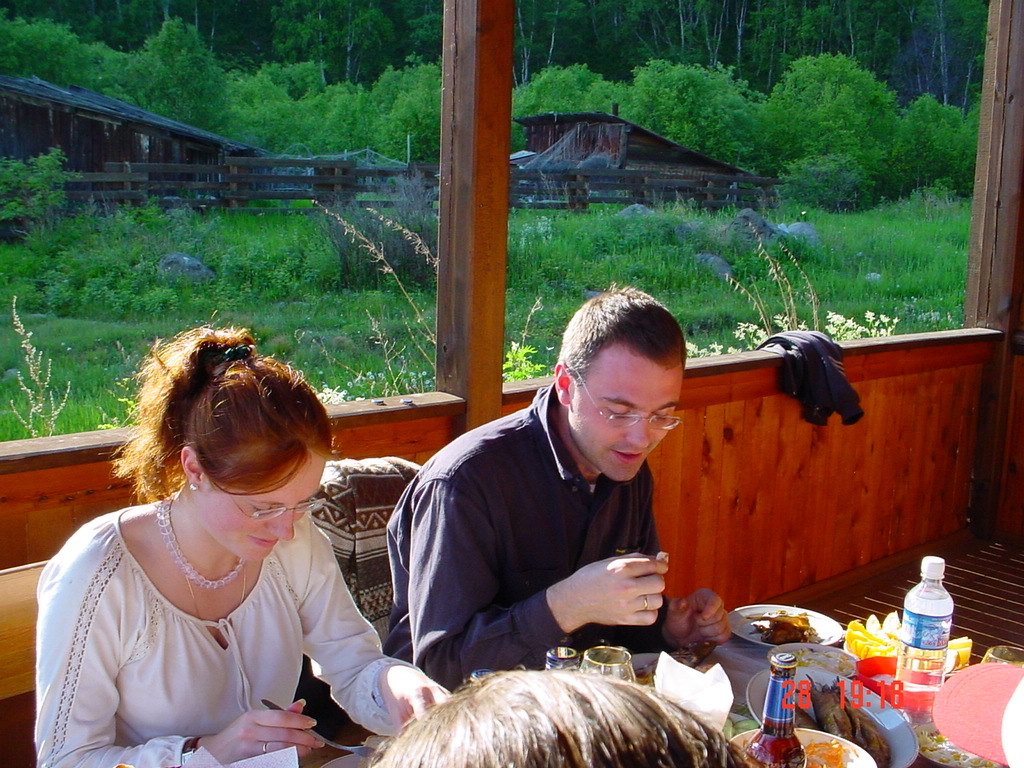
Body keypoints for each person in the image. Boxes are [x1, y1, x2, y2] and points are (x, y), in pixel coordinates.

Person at [35, 327, 447, 768]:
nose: (286, 530)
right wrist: (208, 753)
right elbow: (65, 760)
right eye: (262, 508)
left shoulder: (295, 541)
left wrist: (398, 684)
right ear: (194, 468)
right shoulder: (99, 572)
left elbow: (353, 663)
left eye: (302, 503)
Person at [384, 287, 731, 689]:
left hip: (578, 702)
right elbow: (439, 668)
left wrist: (667, 628)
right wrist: (566, 605)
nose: (641, 439)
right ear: (565, 384)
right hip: (461, 718)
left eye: (661, 416)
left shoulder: (624, 465)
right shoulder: (465, 482)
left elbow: (612, 630)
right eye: (618, 412)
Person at [368, 669, 749, 768]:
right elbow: (444, 660)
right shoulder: (459, 498)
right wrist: (566, 603)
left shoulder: (627, 497)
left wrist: (667, 622)